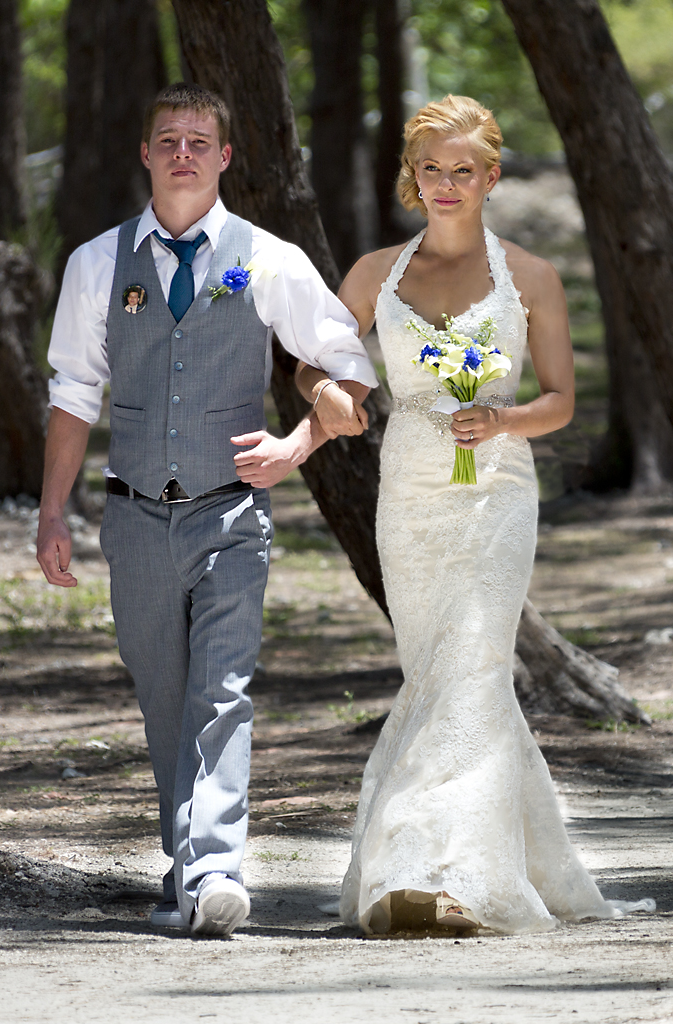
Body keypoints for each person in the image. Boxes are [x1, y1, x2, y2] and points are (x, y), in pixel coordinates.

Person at [298, 95, 655, 934]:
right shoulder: (371, 275)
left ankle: (437, 872)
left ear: (490, 176)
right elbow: (316, 366)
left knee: (475, 663)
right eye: (432, 169)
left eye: (464, 170)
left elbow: (561, 400)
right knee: (434, 671)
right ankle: (479, 861)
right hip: (409, 491)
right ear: (411, 178)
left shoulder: (529, 276)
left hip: (496, 490)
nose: (447, 183)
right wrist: (322, 400)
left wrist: (503, 419)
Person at [37, 83, 377, 936]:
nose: (183, 152)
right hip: (133, 516)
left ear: (225, 157)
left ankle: (215, 867)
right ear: (146, 156)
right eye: (167, 139)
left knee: (220, 694)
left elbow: (347, 367)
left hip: (231, 517)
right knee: (165, 697)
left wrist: (294, 447)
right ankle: (186, 868)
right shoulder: (94, 263)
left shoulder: (268, 257)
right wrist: (52, 513)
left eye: (199, 140)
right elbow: (74, 394)